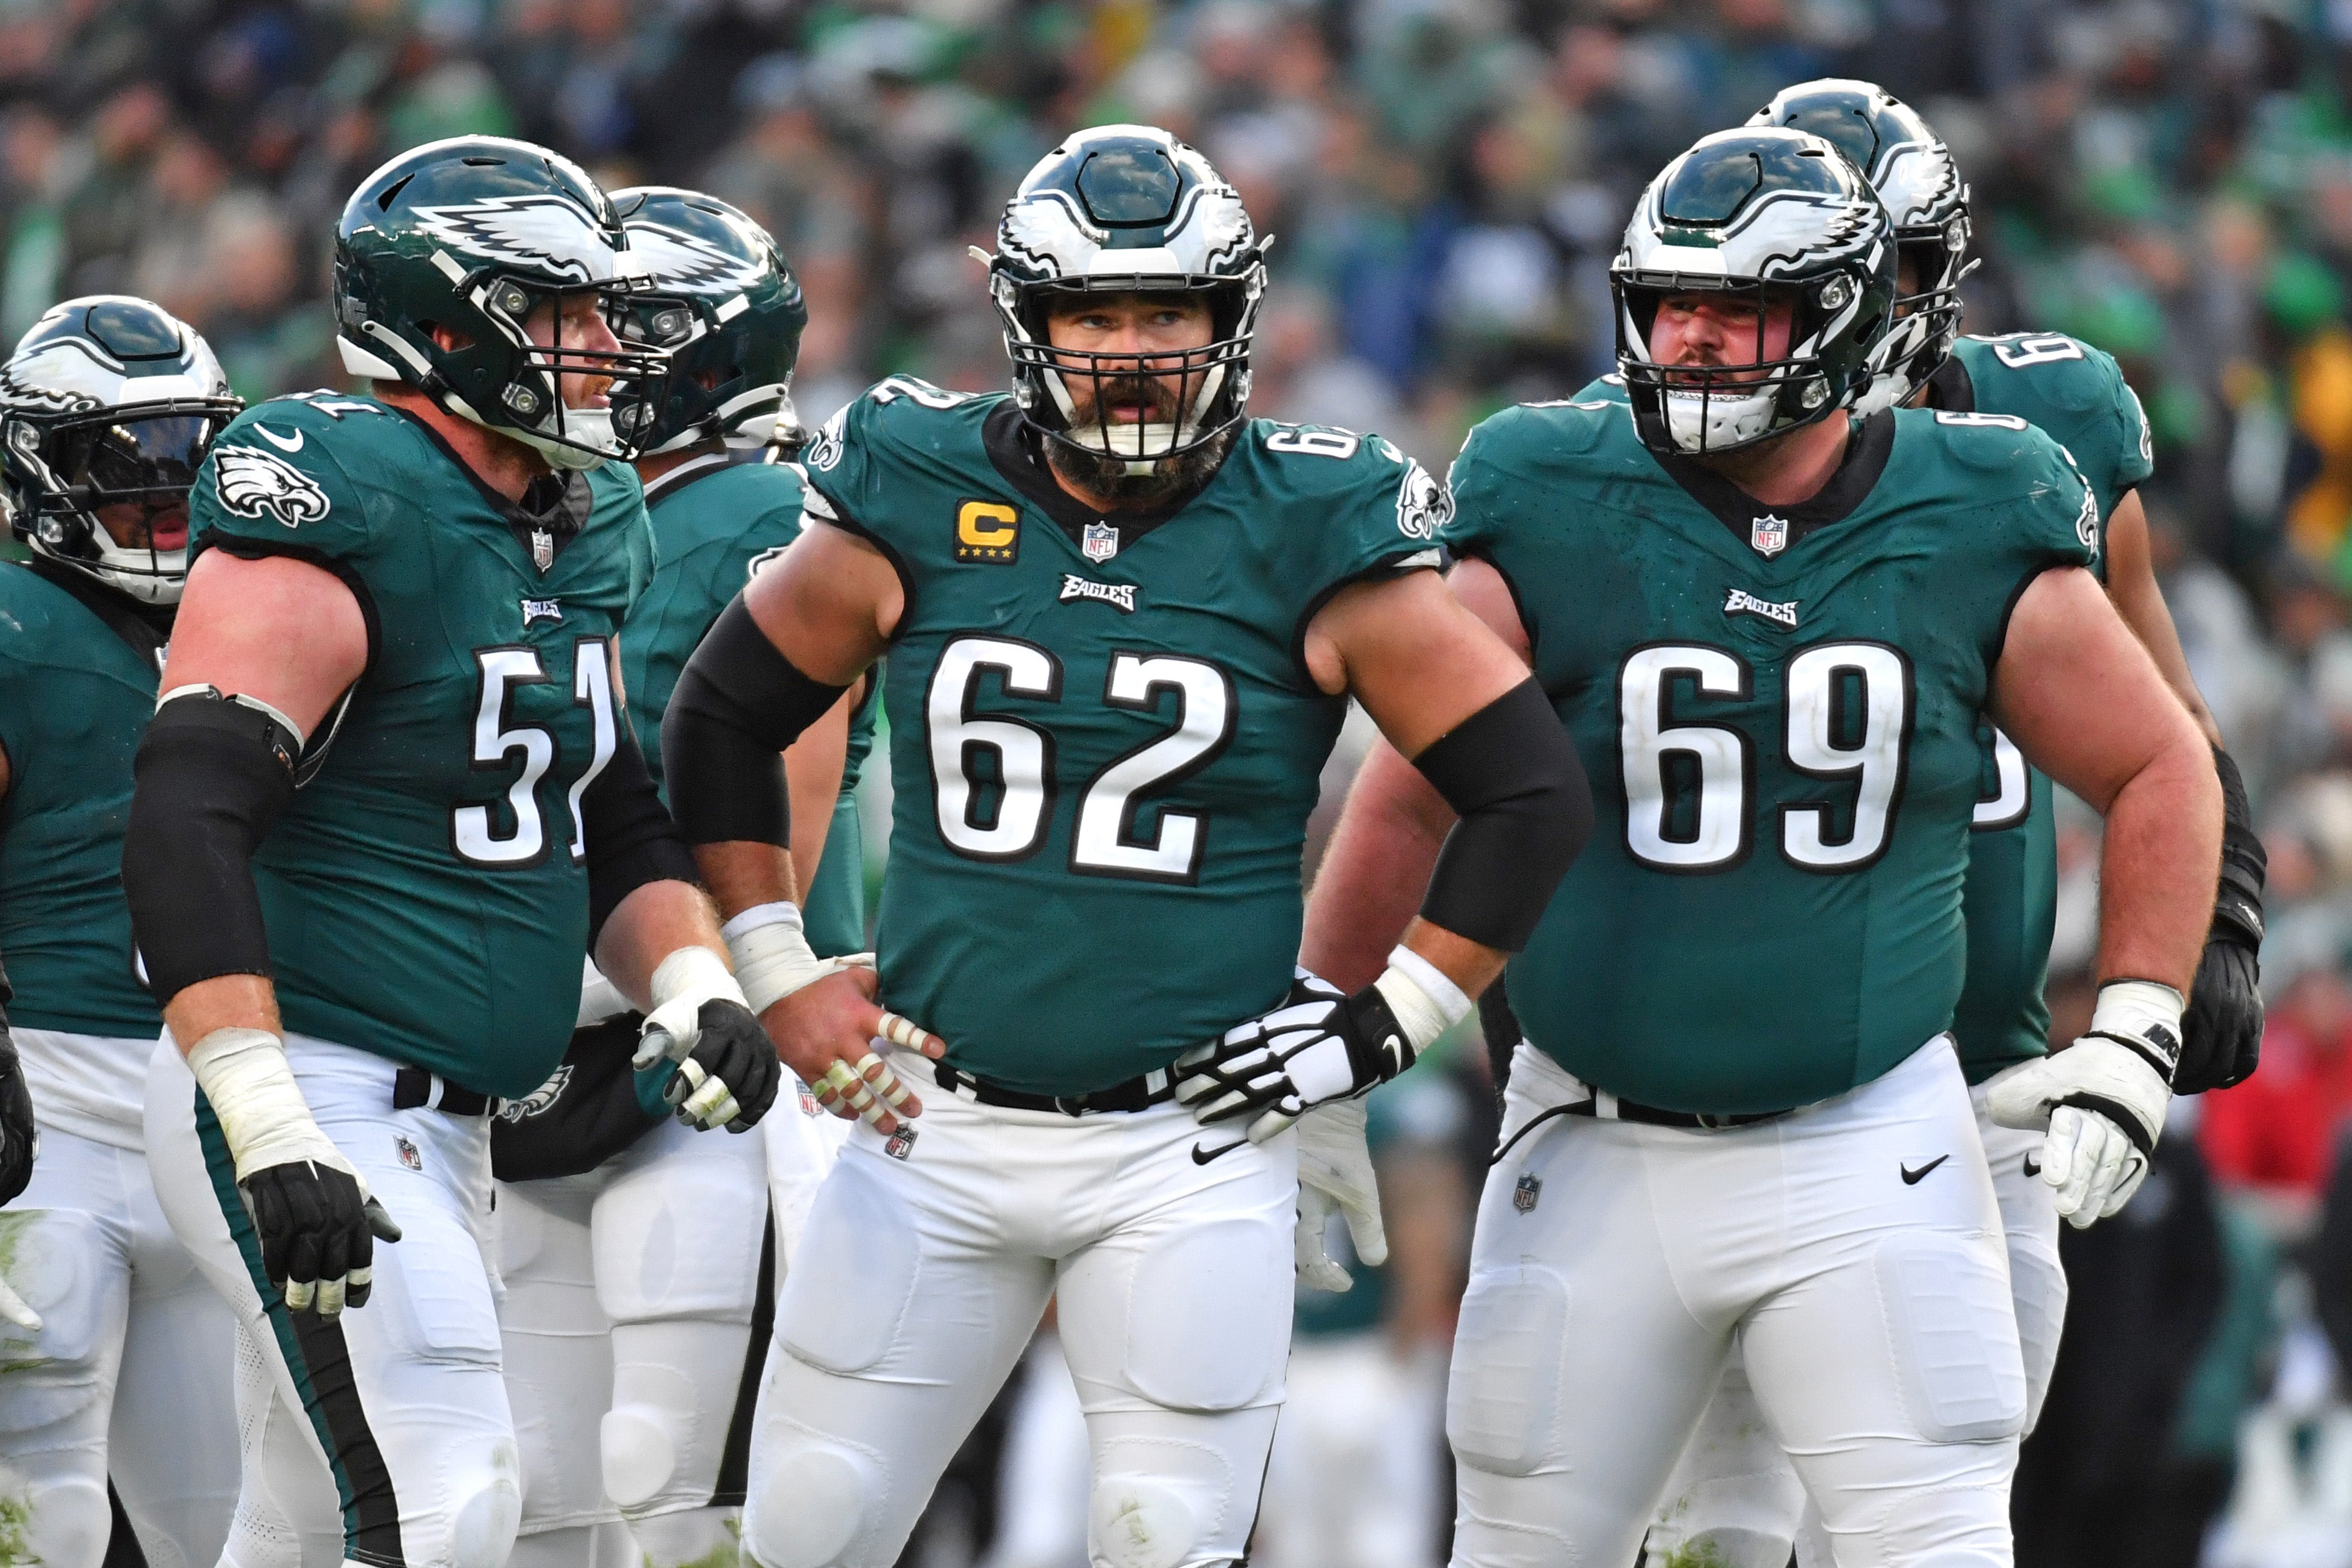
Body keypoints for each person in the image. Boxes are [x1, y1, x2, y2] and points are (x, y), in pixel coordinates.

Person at [661, 123, 1591, 1568]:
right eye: (1095, 313)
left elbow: (1529, 789)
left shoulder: (1313, 521)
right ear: (1028, 324)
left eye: (1169, 312)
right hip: (929, 1120)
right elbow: (718, 717)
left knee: (1164, 1537)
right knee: (808, 1527)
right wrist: (774, 966)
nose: (1133, 349)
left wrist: (1382, 1026)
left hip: (1188, 1138)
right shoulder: (911, 486)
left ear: (1231, 322)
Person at [1299, 125, 2222, 1567]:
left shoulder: (1980, 498)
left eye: (1734, 310)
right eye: (1667, 303)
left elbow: (2159, 753)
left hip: (1874, 1134)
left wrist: (2136, 1022)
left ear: (1843, 313)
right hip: (1594, 1131)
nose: (1690, 338)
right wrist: (1323, 1057)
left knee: (1933, 1537)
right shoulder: (1546, 488)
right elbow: (1414, 791)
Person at [120, 137, 801, 1568]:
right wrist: (268, 1122)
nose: (612, 347)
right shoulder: (342, 490)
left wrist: (690, 986)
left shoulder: (584, 518)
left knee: (301, 1530)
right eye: (568, 313)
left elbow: (604, 801)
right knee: (455, 1495)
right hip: (311, 1096)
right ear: (447, 322)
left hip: (454, 1118)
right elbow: (188, 815)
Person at [1619, 80, 2268, 1568]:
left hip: (1975, 1087)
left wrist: (2205, 927)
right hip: (1716, 1087)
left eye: (1890, 275)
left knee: (1938, 1514)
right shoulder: (1639, 448)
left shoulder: (2047, 423)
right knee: (1701, 1529)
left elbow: (2167, 730)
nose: (1859, 315)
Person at [490, 184, 871, 1568]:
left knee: (677, 1488)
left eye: (607, 321)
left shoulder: (772, 511)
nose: (573, 347)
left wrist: (703, 974)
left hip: (715, 1052)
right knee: (529, 1489)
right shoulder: (551, 508)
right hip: (538, 1033)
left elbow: (791, 803)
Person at [0, 296, 243, 1568]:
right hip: (42, 1118)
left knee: (237, 1530)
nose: (168, 489)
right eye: (124, 455)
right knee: (43, 1514)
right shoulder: (15, 627)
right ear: (40, 461)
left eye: (188, 450)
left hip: (211, 1113)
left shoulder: (260, 614)